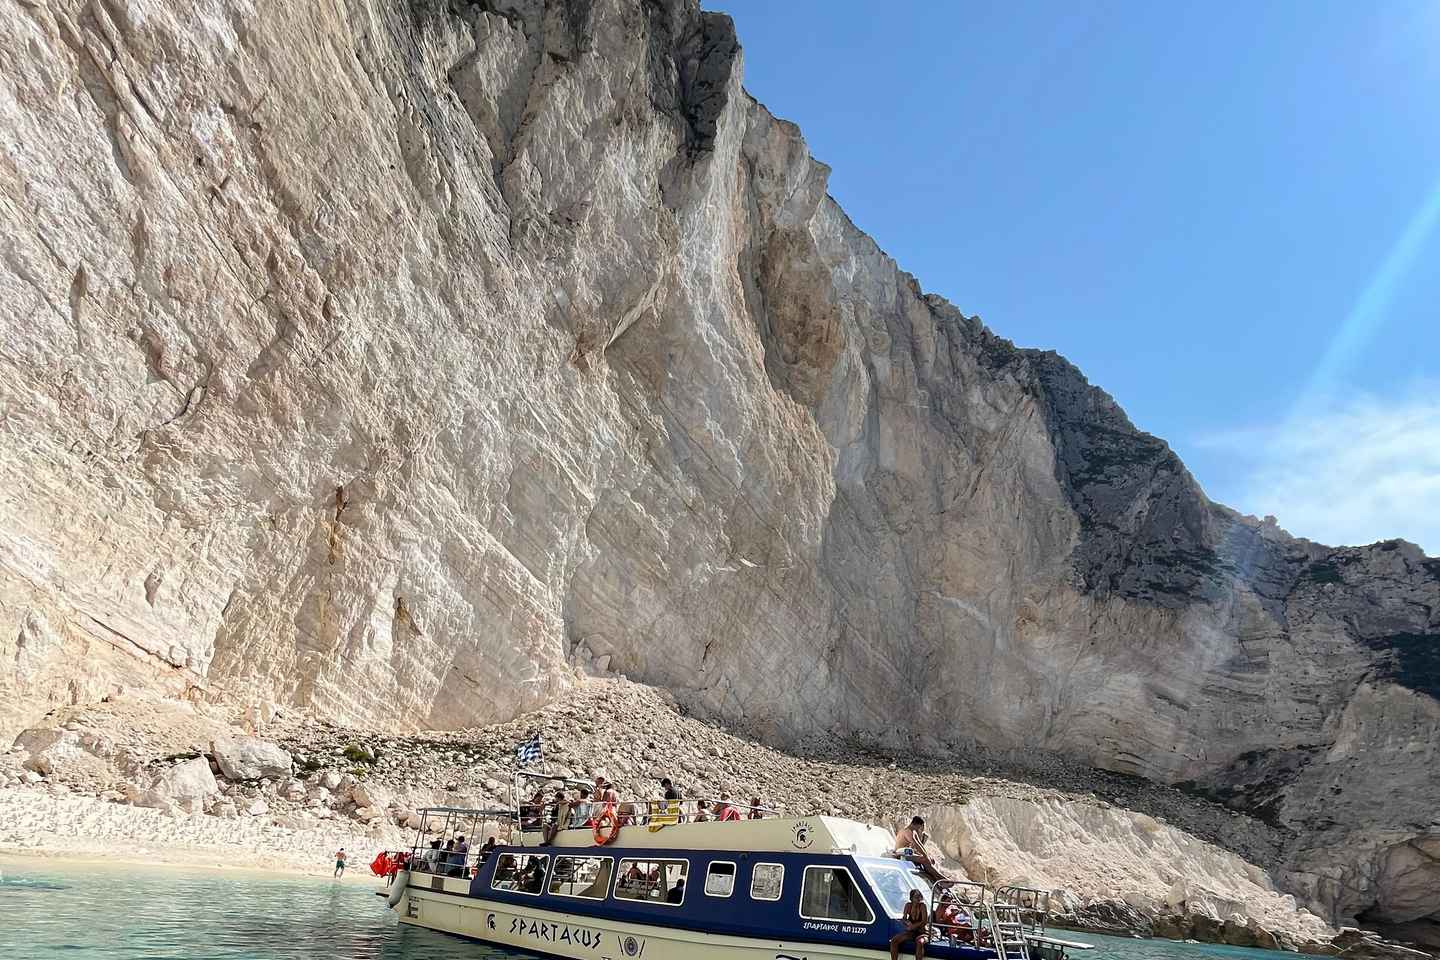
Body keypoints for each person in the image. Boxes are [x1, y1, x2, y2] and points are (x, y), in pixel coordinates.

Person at [890, 889, 929, 960]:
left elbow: (924, 921)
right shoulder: (908, 905)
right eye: (916, 897)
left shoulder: (923, 906)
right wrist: (908, 923)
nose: (918, 898)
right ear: (911, 898)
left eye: (919, 896)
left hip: (922, 932)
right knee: (894, 941)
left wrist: (913, 926)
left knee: (919, 942)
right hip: (911, 932)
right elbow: (904, 919)